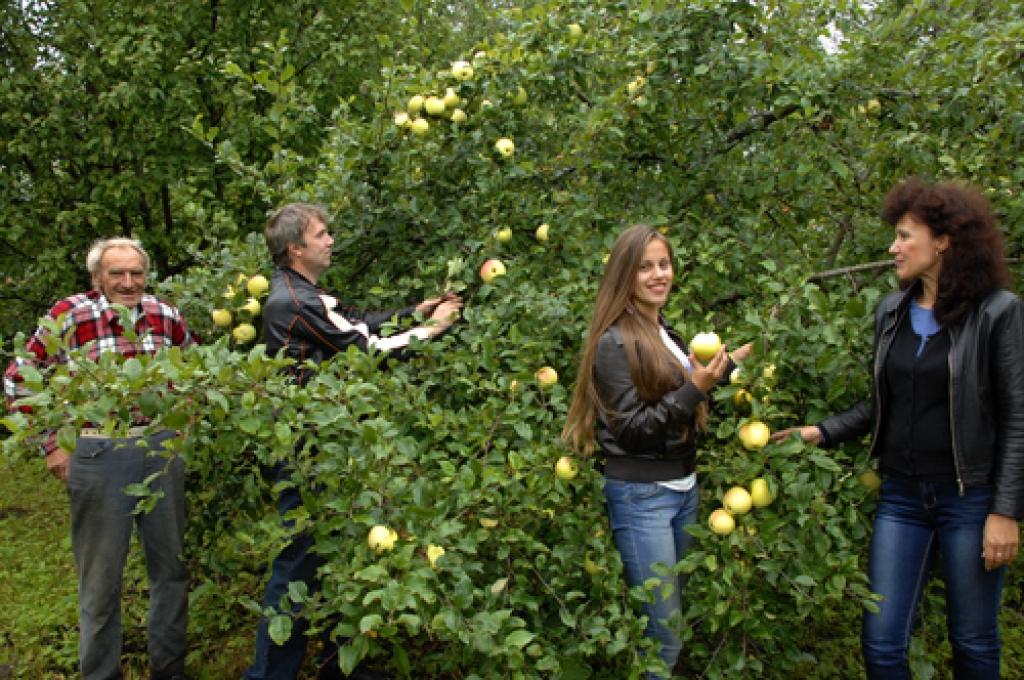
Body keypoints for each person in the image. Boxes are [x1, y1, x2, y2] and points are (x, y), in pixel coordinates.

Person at [773, 178, 1024, 679]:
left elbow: (1018, 417)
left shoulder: (997, 312)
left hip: (969, 499)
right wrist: (820, 432)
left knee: (972, 643)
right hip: (902, 499)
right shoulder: (892, 311)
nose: (894, 247)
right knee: (882, 644)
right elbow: (881, 404)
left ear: (945, 240)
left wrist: (1005, 511)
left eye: (906, 236)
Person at [245, 203, 463, 680]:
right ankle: (268, 675)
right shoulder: (294, 301)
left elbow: (356, 319)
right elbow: (366, 349)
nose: (330, 240)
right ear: (295, 248)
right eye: (322, 234)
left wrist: (415, 310)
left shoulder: (301, 293)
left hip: (325, 439)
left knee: (335, 554)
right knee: (300, 559)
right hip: (307, 448)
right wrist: (434, 329)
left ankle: (335, 667)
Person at [561, 224, 750, 679]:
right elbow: (633, 431)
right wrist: (697, 389)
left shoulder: (661, 330)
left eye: (663, 264)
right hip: (642, 495)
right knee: (662, 637)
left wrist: (729, 368)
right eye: (645, 267)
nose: (657, 275)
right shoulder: (614, 342)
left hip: (682, 487)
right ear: (625, 274)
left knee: (671, 623)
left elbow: (678, 390)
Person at [3, 238, 198, 680]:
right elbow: (19, 379)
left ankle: (170, 670)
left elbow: (194, 370)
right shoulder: (70, 316)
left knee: (170, 571)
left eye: (136, 273)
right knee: (100, 581)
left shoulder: (164, 315)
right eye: (117, 274)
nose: (128, 283)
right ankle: (100, 674)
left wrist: (185, 422)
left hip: (159, 448)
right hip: (98, 449)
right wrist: (51, 443)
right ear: (97, 278)